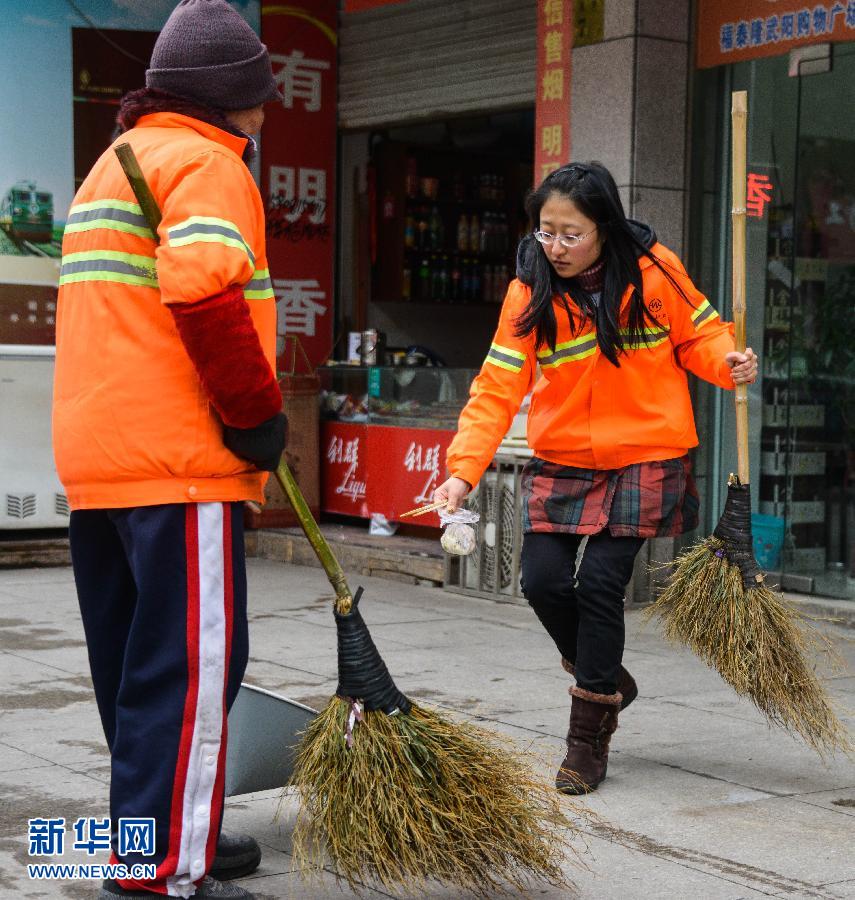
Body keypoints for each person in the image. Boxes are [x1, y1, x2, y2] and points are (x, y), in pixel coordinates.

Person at [52, 2, 286, 897]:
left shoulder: (111, 165)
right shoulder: (208, 163)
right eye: (259, 101)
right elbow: (205, 298)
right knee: (188, 676)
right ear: (229, 100)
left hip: (100, 466)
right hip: (179, 466)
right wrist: (256, 414)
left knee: (134, 674)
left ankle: (157, 837)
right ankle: (158, 872)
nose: (264, 118)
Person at [433, 162, 758, 796]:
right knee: (542, 580)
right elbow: (497, 388)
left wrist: (729, 362)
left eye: (569, 234)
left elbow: (701, 338)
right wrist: (462, 473)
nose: (554, 247)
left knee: (603, 583)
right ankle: (605, 676)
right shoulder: (529, 290)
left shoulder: (655, 269)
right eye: (545, 232)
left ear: (603, 227)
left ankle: (586, 741)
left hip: (647, 451)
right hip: (565, 457)